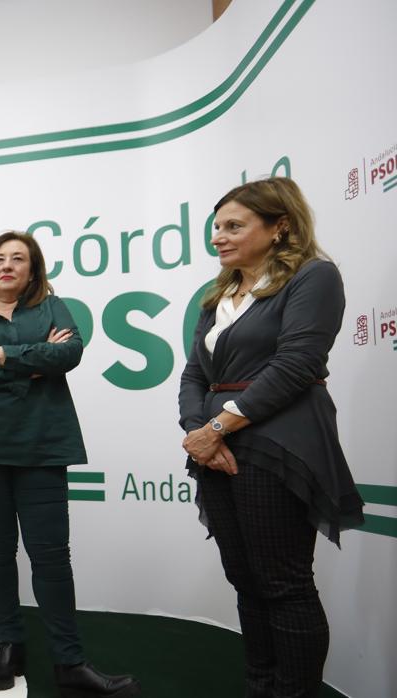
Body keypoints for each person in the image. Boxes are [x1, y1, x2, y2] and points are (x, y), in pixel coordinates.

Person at [178, 178, 363, 698]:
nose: (218, 237)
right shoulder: (218, 294)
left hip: (277, 446)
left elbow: (299, 363)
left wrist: (215, 429)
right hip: (215, 450)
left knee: (284, 586)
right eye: (216, 227)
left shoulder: (314, 276)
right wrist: (198, 434)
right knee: (246, 582)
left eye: (233, 226)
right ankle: (260, 686)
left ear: (279, 226)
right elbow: (195, 374)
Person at [0, 231, 138, 696]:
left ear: (33, 271)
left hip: (44, 447)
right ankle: (10, 644)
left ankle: (69, 662)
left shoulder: (53, 307)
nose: (7, 265)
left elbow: (68, 353)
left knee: (51, 558)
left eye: (19, 259)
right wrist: (33, 364)